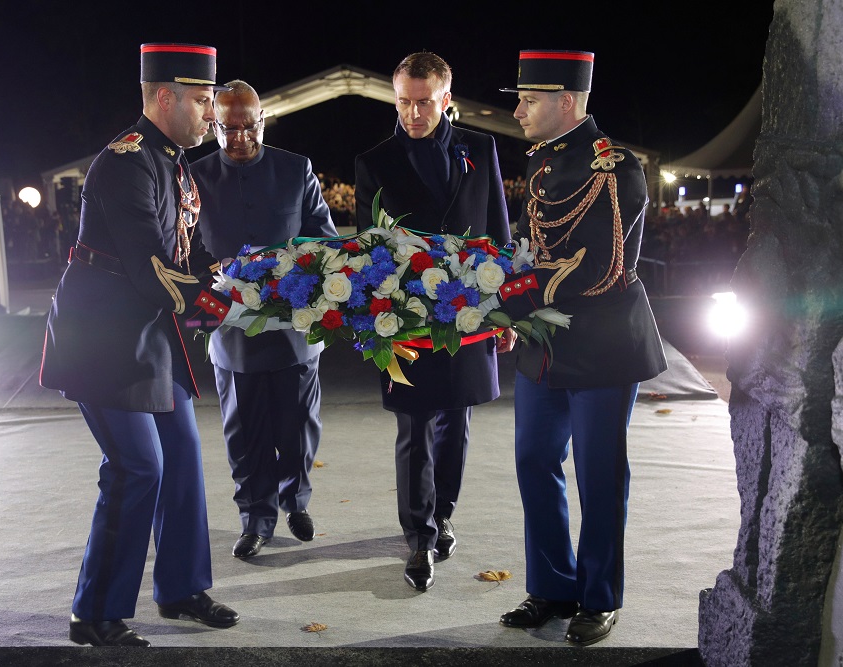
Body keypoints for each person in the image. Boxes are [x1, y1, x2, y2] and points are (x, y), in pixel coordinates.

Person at [39, 42, 244, 647]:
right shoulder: (126, 162)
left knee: (179, 457)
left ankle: (181, 588)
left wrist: (245, 281)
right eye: (204, 101)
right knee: (136, 467)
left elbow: (191, 252)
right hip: (104, 339)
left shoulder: (175, 162)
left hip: (150, 335)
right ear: (164, 96)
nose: (213, 113)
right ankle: (94, 611)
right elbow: (152, 267)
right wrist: (223, 303)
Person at [493, 50, 667, 646]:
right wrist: (489, 287)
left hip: (601, 342)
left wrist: (498, 301)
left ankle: (599, 597)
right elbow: (526, 245)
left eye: (529, 99)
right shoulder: (545, 163)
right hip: (544, 343)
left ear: (566, 102)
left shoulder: (614, 168)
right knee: (533, 461)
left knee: (597, 474)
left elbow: (595, 269)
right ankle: (552, 586)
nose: (517, 110)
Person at [354, 51, 511, 591]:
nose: (412, 113)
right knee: (415, 424)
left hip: (468, 309)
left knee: (457, 420)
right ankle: (418, 536)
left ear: (447, 99)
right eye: (403, 101)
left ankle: (443, 513)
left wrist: (506, 308)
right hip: (405, 315)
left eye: (424, 102)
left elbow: (498, 232)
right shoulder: (374, 160)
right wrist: (374, 316)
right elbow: (365, 250)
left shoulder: (482, 148)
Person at [190, 80, 338, 559]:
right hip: (230, 330)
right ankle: (255, 517)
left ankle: (296, 500)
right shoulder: (192, 177)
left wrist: (302, 269)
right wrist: (204, 275)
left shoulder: (296, 170)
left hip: (293, 328)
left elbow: (325, 239)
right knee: (244, 432)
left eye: (247, 127)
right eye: (226, 129)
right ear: (213, 125)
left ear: (263, 120)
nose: (238, 139)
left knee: (297, 426)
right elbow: (182, 250)